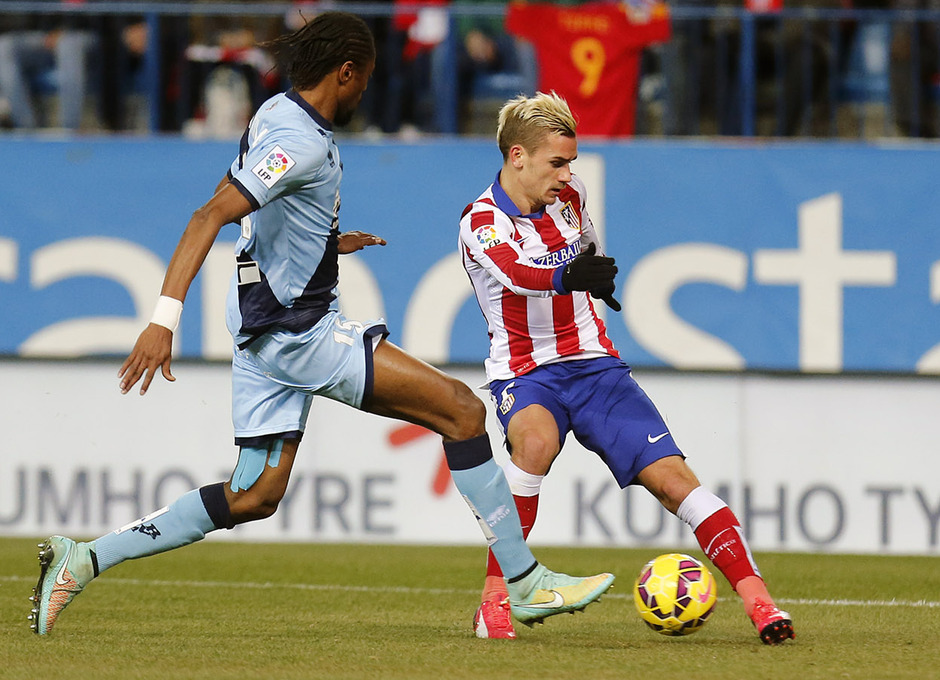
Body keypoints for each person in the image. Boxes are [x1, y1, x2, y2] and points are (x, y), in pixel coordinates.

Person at [29, 13, 614, 636]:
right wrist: (161, 320)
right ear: (346, 72)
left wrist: (325, 244)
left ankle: (84, 559)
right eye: (364, 79)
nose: (366, 91)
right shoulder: (302, 143)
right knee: (462, 412)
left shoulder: (276, 113)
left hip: (260, 328)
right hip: (297, 333)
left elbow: (267, 217)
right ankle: (523, 583)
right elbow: (210, 215)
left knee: (253, 495)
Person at [457, 91, 795, 644]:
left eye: (571, 162)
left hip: (596, 369)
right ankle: (495, 602)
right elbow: (519, 273)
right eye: (556, 163)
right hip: (525, 373)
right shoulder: (482, 221)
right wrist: (571, 274)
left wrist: (593, 274)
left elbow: (584, 250)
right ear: (517, 156)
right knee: (534, 445)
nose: (568, 175)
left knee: (675, 482)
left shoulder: (571, 195)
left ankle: (761, 604)